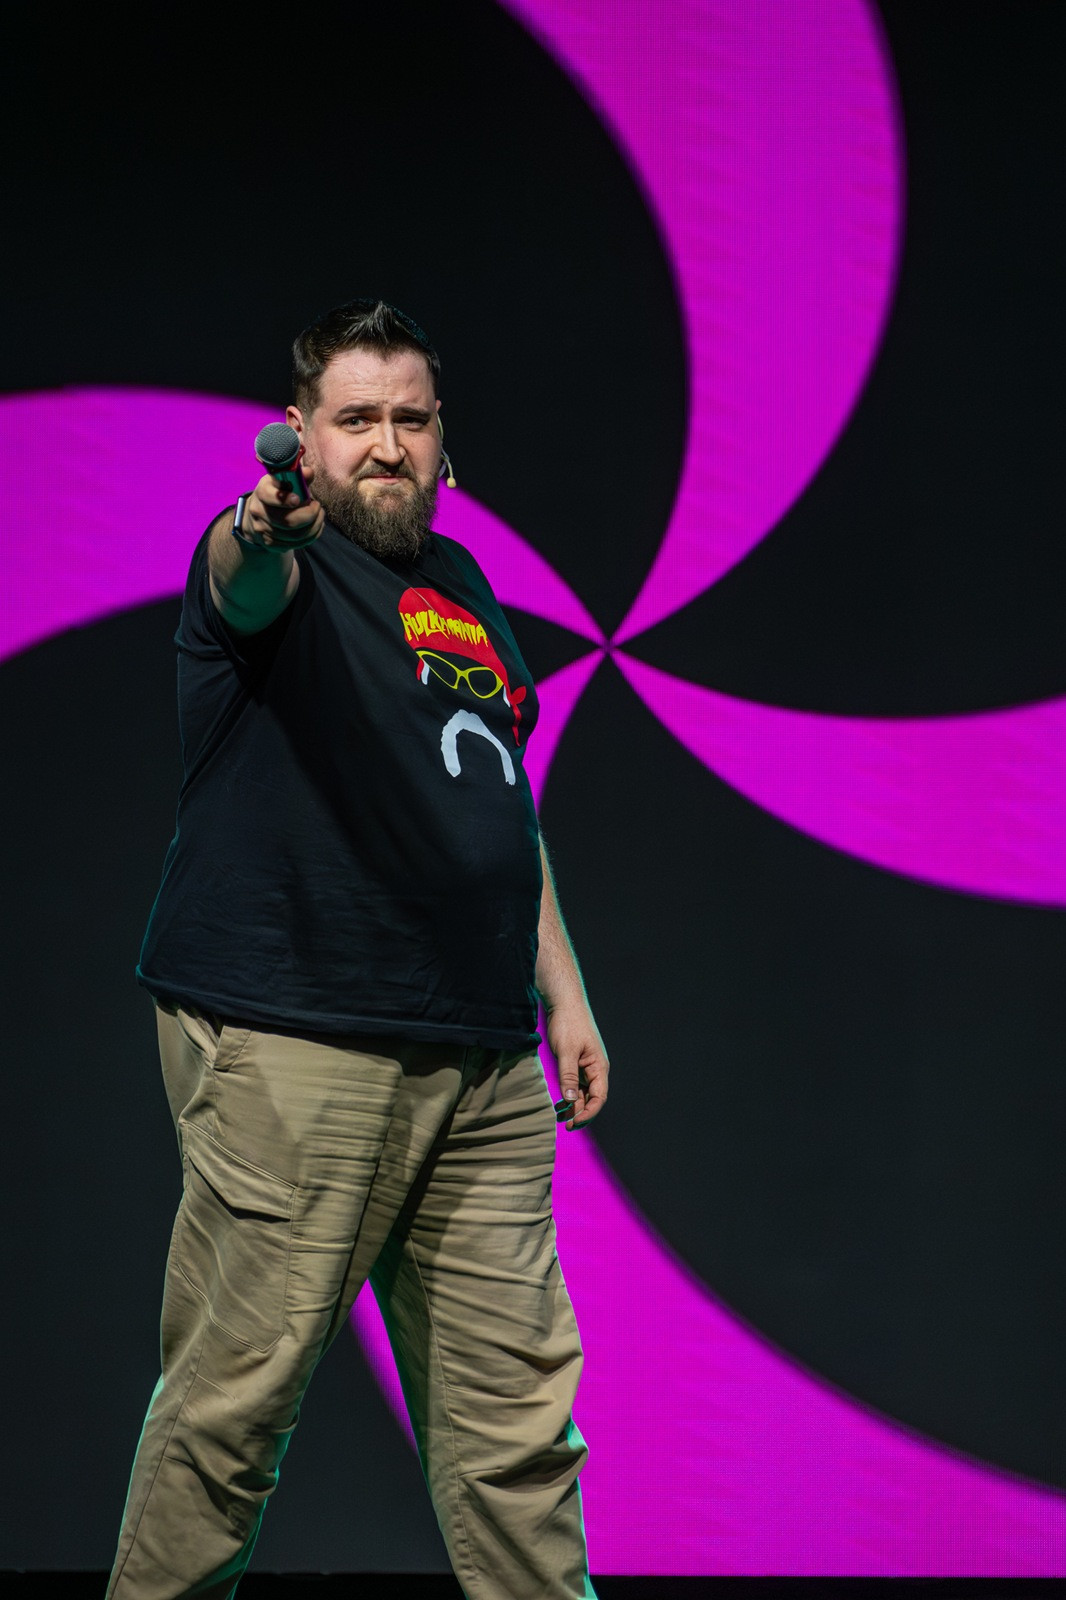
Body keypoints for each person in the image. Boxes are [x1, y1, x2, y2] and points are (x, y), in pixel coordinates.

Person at [106, 299, 608, 1599]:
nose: (386, 443)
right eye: (356, 419)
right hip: (299, 1037)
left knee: (519, 1439)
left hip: (482, 1060)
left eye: (410, 419)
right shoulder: (278, 561)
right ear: (301, 437)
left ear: (443, 442)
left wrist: (562, 993)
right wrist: (258, 523)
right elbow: (242, 570)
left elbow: (497, 799)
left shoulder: (463, 587)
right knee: (232, 1415)